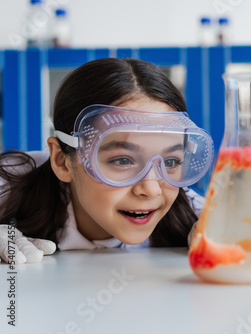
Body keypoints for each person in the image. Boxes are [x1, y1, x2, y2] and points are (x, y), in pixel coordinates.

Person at [0, 57, 214, 264]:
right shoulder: (9, 185)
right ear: (62, 160)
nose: (151, 189)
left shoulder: (187, 209)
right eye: (122, 160)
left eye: (169, 162)